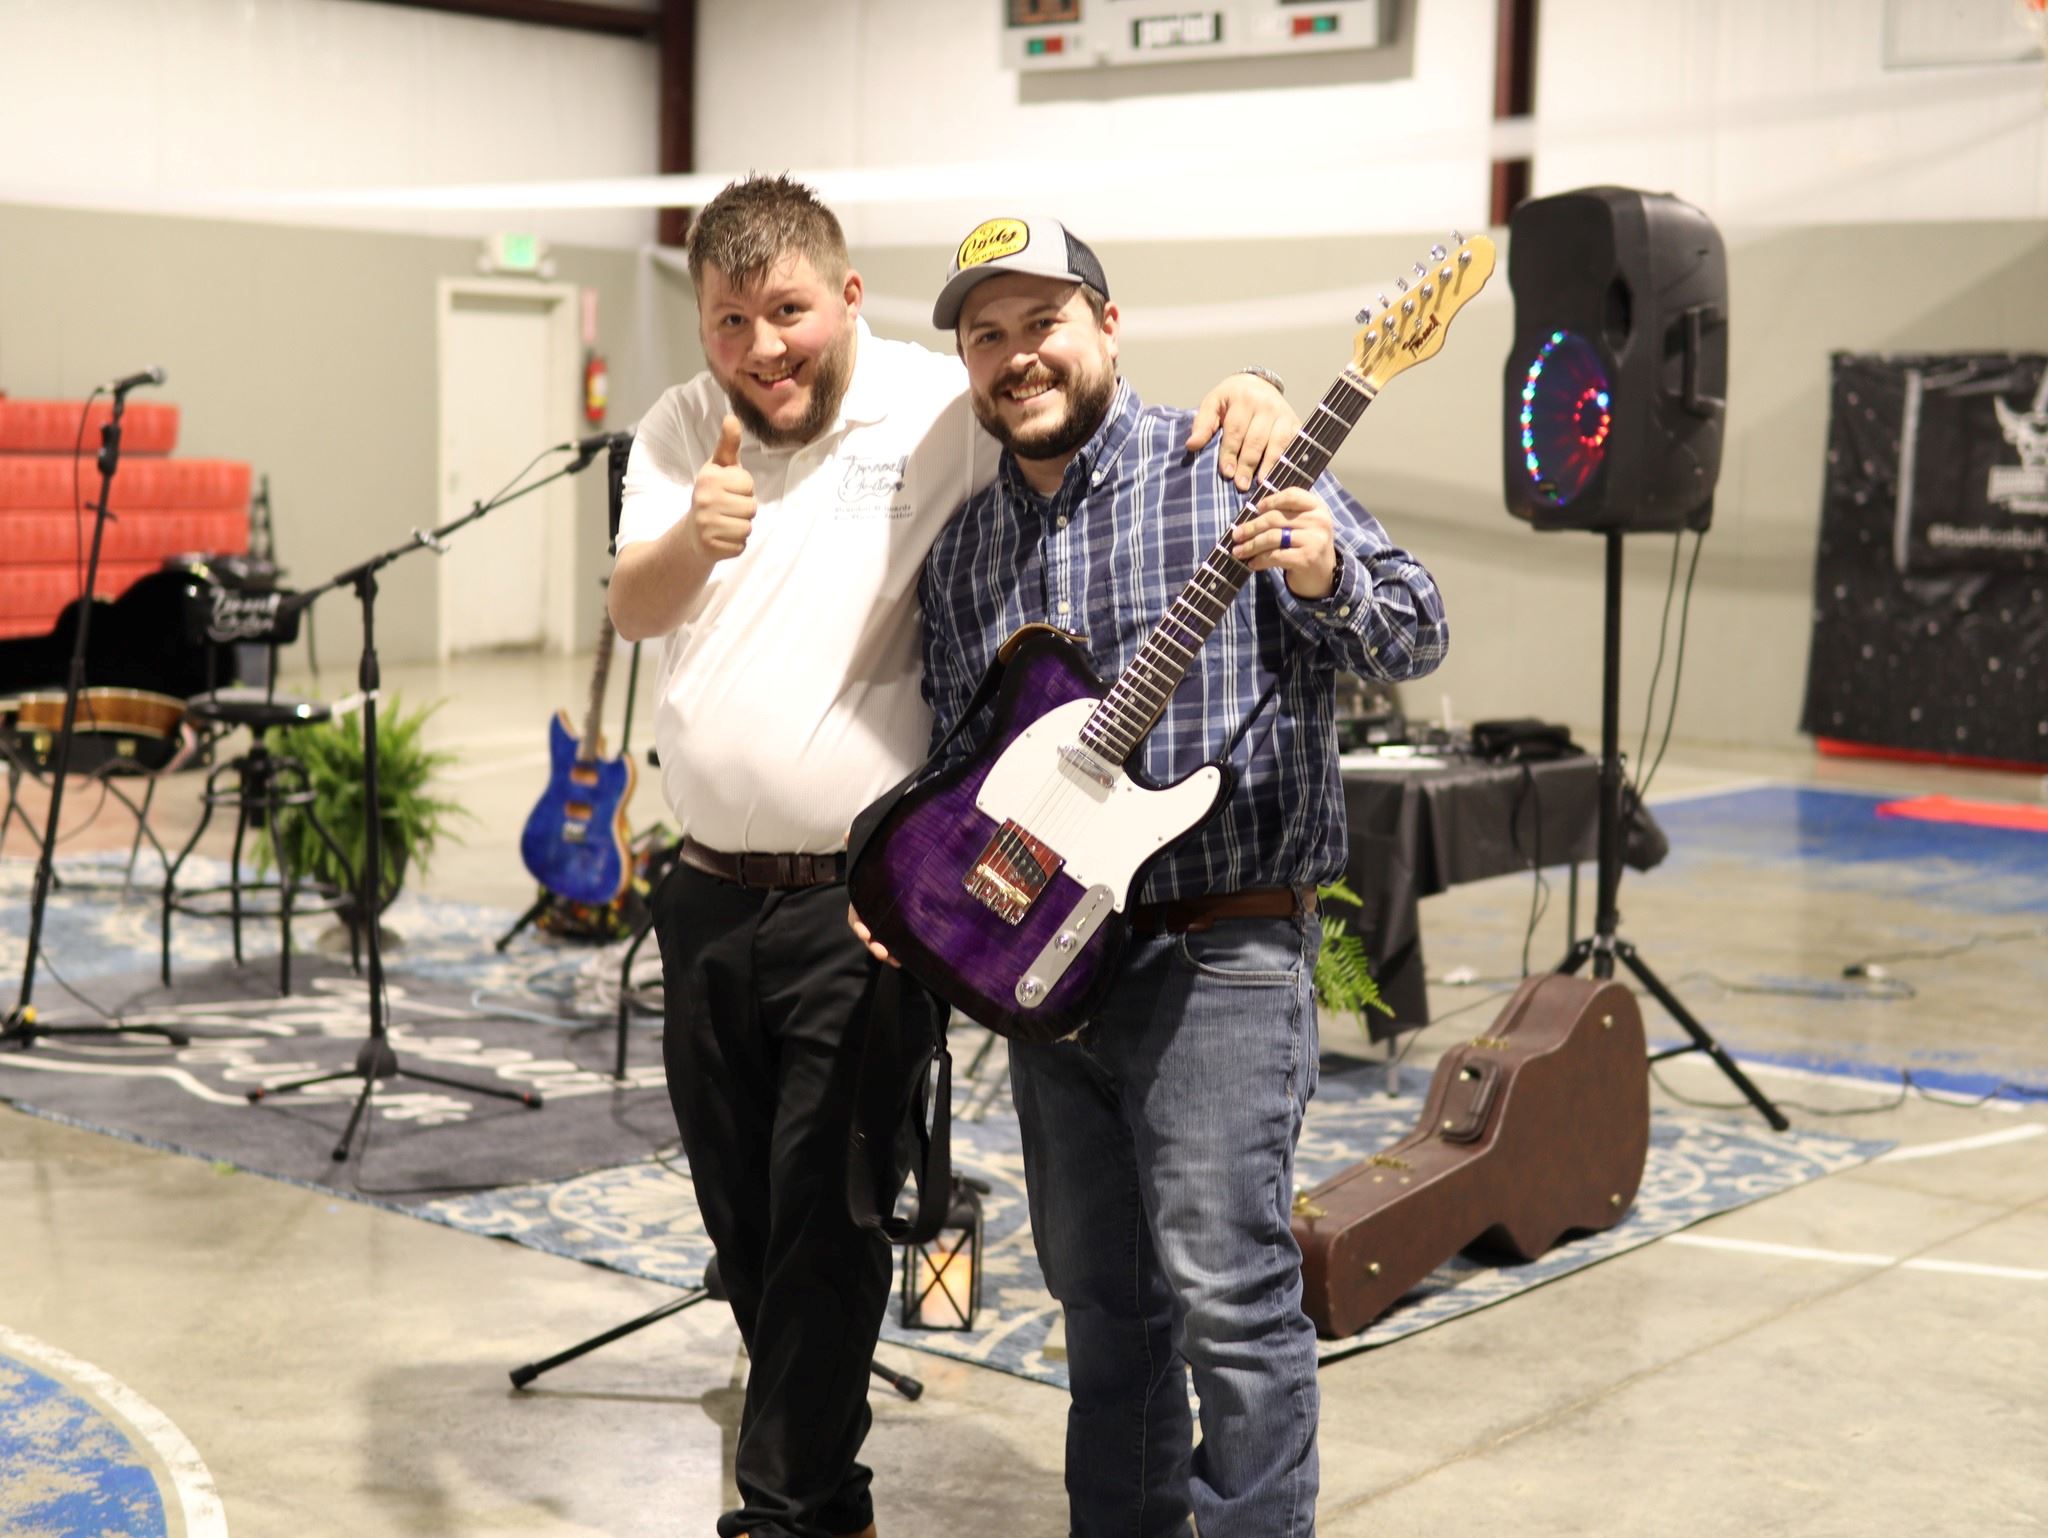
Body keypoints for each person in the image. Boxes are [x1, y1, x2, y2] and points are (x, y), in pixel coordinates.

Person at [606, 175, 1301, 1538]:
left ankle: (796, 1502)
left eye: (789, 312)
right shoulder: (679, 426)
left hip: (870, 905)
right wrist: (699, 533)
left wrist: (1260, 390)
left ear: (847, 298)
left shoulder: (941, 403)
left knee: (829, 1208)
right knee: (740, 1216)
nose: (763, 349)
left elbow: (1079, 399)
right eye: (731, 321)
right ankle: (818, 1472)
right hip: (700, 889)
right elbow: (631, 605)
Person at [861, 216, 1450, 1538]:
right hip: (1058, 976)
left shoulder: (1233, 465)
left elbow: (1417, 624)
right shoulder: (964, 556)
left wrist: (1326, 569)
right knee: (1101, 1298)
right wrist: (944, 890)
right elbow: (966, 762)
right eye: (987, 335)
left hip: (1219, 954)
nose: (1019, 357)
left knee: (1233, 1298)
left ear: (1108, 326)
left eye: (1044, 323)